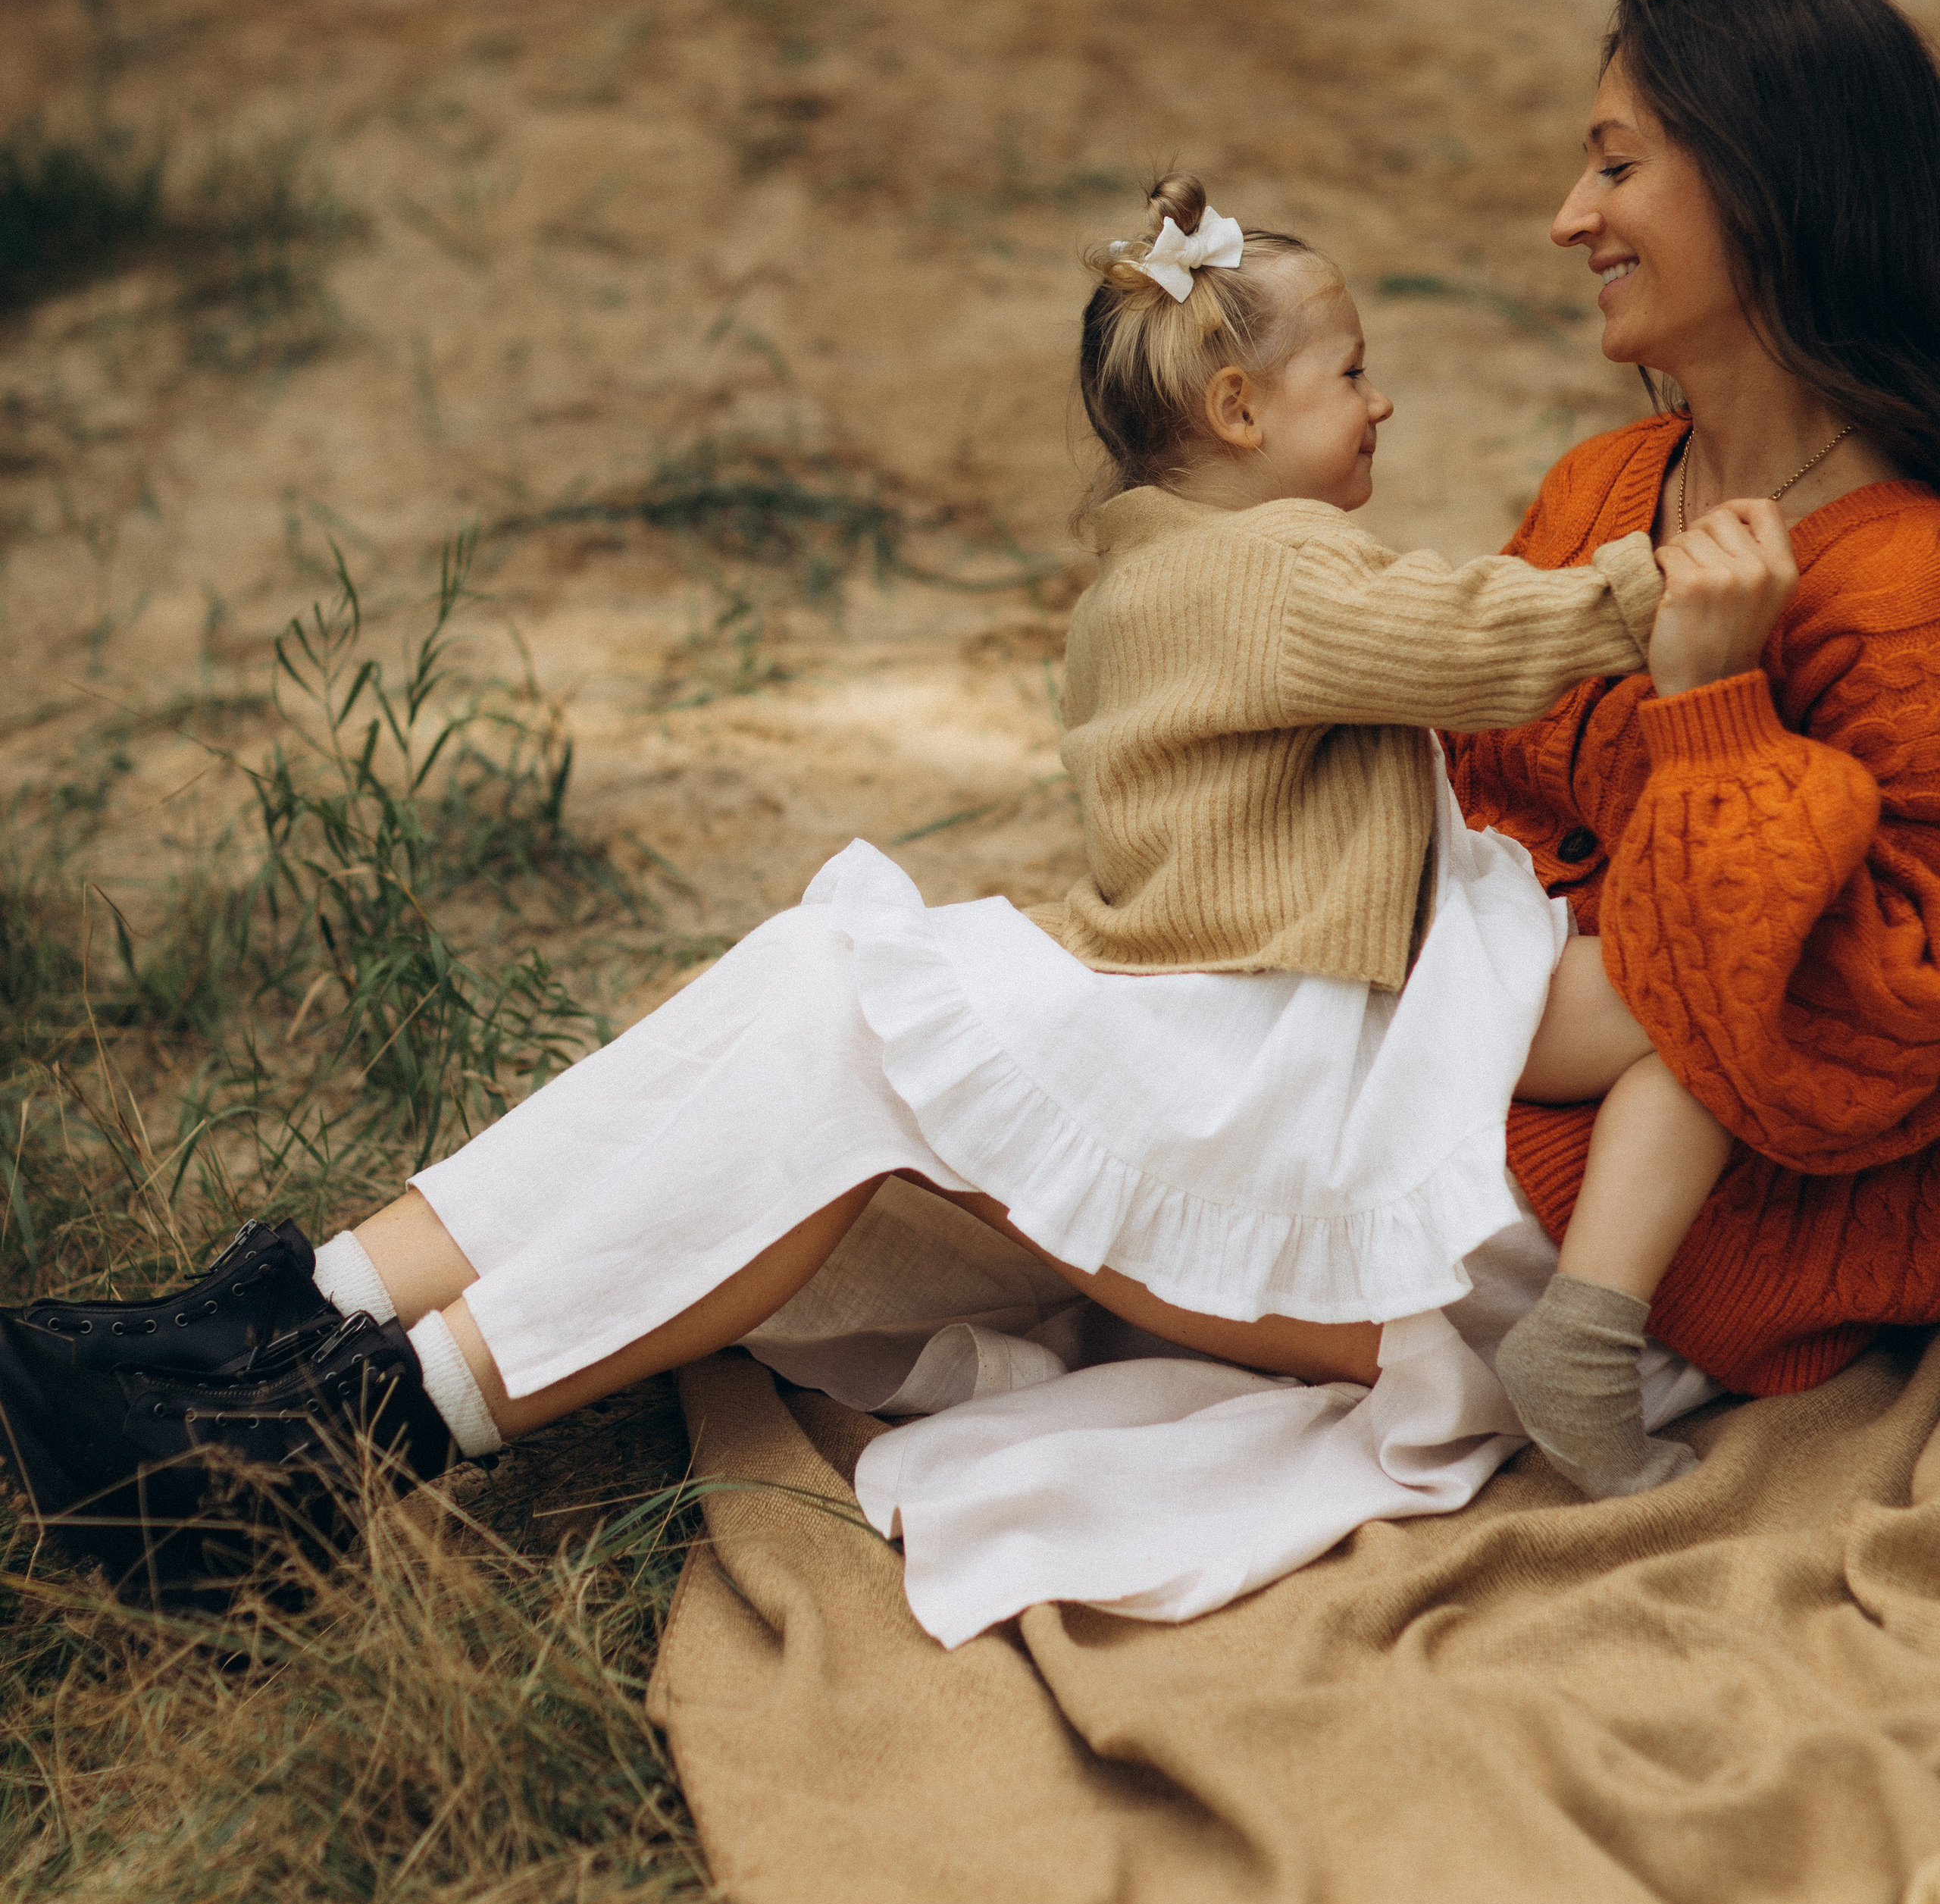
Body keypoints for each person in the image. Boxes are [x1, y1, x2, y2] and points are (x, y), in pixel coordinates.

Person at [0, 159, 1791, 1608]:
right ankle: (329, 1376)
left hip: (1316, 1092)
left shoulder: (1160, 572)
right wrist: (1653, 596)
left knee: (831, 994)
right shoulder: (1271, 570)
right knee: (829, 993)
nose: (1380, 398)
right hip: (1270, 1047)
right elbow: (1464, 635)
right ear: (1237, 408)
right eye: (1347, 374)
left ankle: (332, 1356)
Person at [1447, 0, 1940, 1411]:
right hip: (1449, 1066)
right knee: (880, 1024)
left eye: (1616, 164)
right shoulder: (1600, 487)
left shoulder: (1907, 587)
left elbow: (1880, 1013)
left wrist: (1716, 707)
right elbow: (1464, 783)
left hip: (1649, 1237)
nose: (1569, 217)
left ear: (1772, 182)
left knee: (895, 1066)